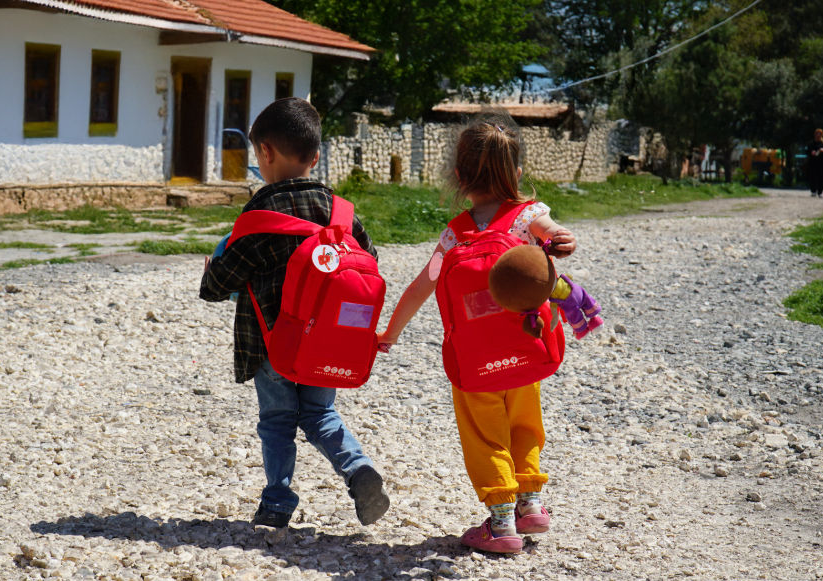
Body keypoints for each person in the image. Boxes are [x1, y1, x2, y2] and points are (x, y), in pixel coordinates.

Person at [376, 117, 577, 554]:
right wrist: (561, 239)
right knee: (525, 424)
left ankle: (502, 523)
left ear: (459, 176)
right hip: (526, 351)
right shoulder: (529, 216)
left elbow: (422, 285)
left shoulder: (454, 235)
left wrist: (390, 333)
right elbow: (554, 233)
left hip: (476, 361)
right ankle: (531, 503)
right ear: (517, 173)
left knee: (485, 435)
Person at [198, 98, 390, 529]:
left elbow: (217, 288)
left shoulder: (258, 218)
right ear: (315, 157)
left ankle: (277, 501)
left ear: (265, 152)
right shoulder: (342, 214)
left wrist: (211, 273)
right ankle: (358, 469)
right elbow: (370, 263)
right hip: (329, 342)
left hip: (274, 345)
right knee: (320, 415)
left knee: (277, 421)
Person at [806, 128, 823, 197]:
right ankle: (813, 191)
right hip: (813, 162)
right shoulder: (811, 143)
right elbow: (807, 151)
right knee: (813, 176)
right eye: (817, 133)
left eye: (820, 133)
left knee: (821, 177)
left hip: (821, 163)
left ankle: (820, 192)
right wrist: (811, 152)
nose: (818, 135)